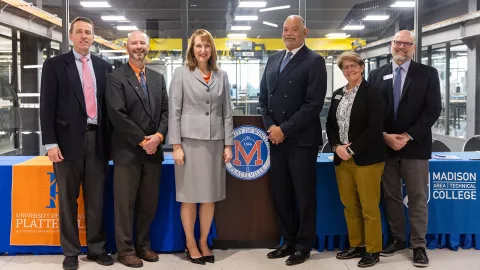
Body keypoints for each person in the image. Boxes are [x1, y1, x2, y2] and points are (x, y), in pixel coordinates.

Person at [40, 17, 113, 270]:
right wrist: (50, 142)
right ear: (71, 36)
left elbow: (108, 108)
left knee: (96, 198)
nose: (84, 36)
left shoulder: (105, 67)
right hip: (65, 143)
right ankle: (70, 251)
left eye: (89, 33)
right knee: (67, 199)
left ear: (93, 37)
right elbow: (46, 106)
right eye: (79, 32)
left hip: (97, 140)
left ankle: (96, 248)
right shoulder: (55, 65)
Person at [368, 30, 441, 267]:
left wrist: (408, 136)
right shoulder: (376, 74)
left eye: (406, 43)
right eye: (398, 42)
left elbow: (432, 110)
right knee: (390, 196)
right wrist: (384, 136)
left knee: (418, 197)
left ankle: (418, 245)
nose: (401, 47)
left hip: (415, 146)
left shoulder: (428, 74)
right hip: (385, 146)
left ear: (413, 47)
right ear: (391, 44)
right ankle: (398, 239)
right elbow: (371, 111)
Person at [259, 15, 327, 266]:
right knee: (281, 194)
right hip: (276, 141)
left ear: (305, 32)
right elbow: (263, 99)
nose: (289, 34)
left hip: (301, 141)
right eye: (285, 29)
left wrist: (284, 130)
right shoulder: (273, 59)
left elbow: (313, 105)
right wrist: (271, 129)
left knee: (304, 196)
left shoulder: (314, 61)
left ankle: (303, 245)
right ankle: (287, 241)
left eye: (294, 30)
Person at [168, 29, 233, 265]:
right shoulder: (181, 74)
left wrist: (228, 144)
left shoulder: (221, 75)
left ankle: (204, 240)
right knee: (189, 196)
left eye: (207, 46)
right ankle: (190, 242)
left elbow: (227, 112)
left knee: (209, 197)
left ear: (212, 49)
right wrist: (176, 145)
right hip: (188, 143)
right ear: (192, 50)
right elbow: (174, 111)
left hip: (215, 144)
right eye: (198, 46)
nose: (203, 50)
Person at [106, 31, 168, 268]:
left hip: (154, 154)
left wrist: (160, 136)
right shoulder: (115, 78)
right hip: (128, 152)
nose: (138, 47)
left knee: (148, 203)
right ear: (126, 47)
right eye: (134, 43)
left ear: (148, 46)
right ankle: (125, 250)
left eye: (142, 43)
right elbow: (117, 115)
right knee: (125, 205)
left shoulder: (157, 78)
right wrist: (144, 141)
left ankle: (143, 246)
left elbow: (165, 111)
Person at [326, 51, 386, 268]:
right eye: (345, 67)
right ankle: (357, 245)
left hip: (367, 159)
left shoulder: (373, 93)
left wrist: (352, 150)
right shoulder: (337, 94)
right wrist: (336, 147)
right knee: (349, 205)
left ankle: (373, 249)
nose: (349, 70)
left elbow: (375, 127)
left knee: (369, 207)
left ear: (361, 67)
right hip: (342, 159)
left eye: (353, 66)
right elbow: (330, 125)